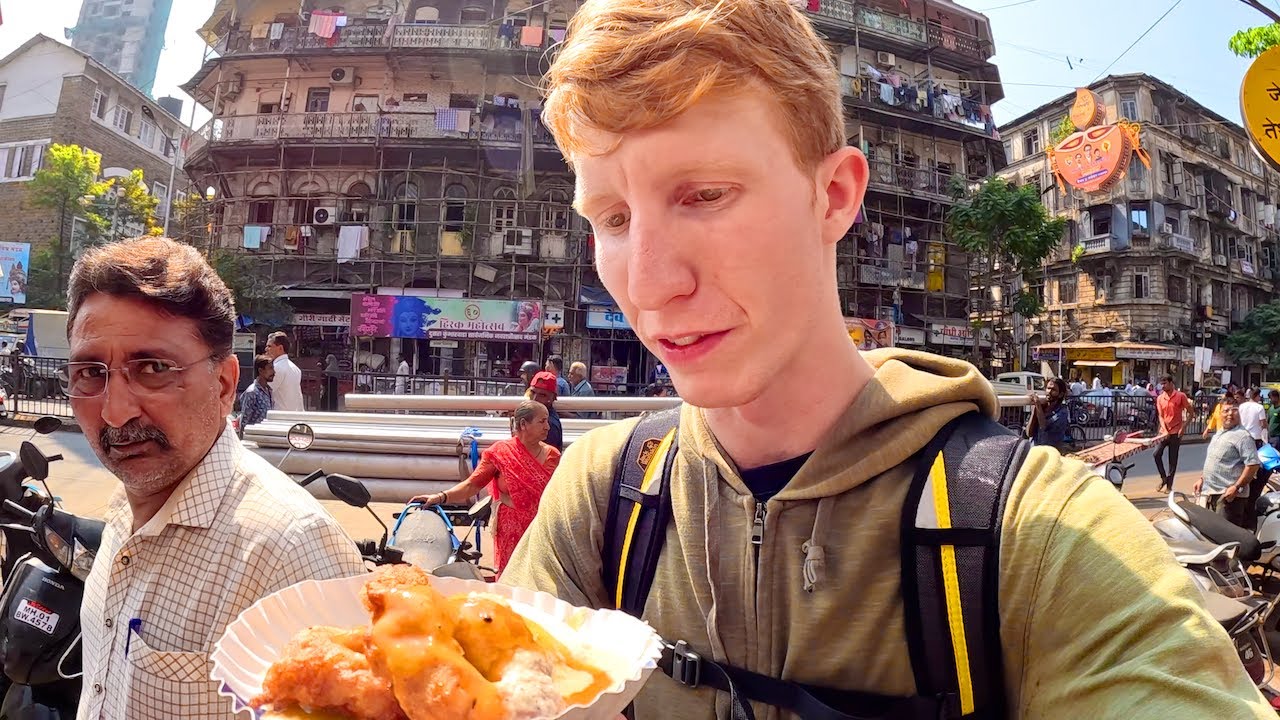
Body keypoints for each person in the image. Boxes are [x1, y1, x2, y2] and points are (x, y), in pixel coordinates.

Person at [499, 1, 1273, 717]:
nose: (648, 284)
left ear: (835, 195)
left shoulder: (1034, 533)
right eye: (612, 217)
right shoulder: (602, 495)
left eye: (704, 195)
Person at [63, 237, 364, 719]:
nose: (115, 412)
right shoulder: (126, 508)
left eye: (154, 368)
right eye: (90, 373)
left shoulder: (291, 553)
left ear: (224, 385)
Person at [411, 400, 560, 575]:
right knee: (509, 579)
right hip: (511, 531)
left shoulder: (553, 455)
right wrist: (440, 497)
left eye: (547, 421)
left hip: (540, 528)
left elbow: (558, 495)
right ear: (523, 424)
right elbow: (472, 485)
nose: (548, 427)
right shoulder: (500, 453)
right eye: (542, 421)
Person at [1194, 397, 1259, 530]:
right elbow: (1214, 460)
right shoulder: (1220, 433)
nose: (1230, 414)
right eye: (1226, 411)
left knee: (1226, 536)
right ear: (1219, 414)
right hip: (1212, 492)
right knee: (1214, 533)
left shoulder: (1243, 436)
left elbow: (1253, 465)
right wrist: (1202, 479)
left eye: (1234, 410)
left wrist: (1236, 487)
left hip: (1229, 497)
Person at [1153, 375, 1193, 493]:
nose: (1163, 386)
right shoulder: (1160, 398)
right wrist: (1164, 430)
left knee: (1172, 460)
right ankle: (1164, 478)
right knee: (1156, 454)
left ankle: (1169, 485)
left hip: (1176, 432)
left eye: (1165, 383)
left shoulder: (1181, 396)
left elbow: (1191, 413)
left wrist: (1183, 427)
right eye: (1162, 384)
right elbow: (1160, 416)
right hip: (1164, 432)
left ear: (1171, 383)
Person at [1241, 388, 1273, 512]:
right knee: (1255, 464)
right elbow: (1263, 423)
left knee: (1244, 462)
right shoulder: (1259, 408)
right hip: (1255, 438)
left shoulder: (1242, 406)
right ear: (1257, 396)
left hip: (1243, 437)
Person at [1027, 377, 1069, 452]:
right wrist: (1035, 410)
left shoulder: (1062, 412)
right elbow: (1029, 433)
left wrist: (1038, 405)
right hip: (1034, 452)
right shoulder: (1042, 408)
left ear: (1060, 394)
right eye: (1048, 388)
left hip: (1050, 454)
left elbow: (1043, 426)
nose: (1049, 392)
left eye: (1053, 390)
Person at [265, 331, 304, 411]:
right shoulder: (295, 368)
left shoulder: (276, 368)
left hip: (278, 415)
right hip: (293, 415)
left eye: (269, 346)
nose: (266, 349)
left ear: (280, 348)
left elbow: (263, 392)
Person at [527, 371, 563, 451]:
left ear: (552, 398)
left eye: (542, 395)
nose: (535, 398)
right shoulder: (537, 417)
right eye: (532, 392)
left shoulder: (549, 424)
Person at [238, 354, 275, 432]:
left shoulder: (269, 391)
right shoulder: (252, 392)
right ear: (260, 371)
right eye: (270, 368)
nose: (274, 372)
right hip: (253, 436)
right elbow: (244, 422)